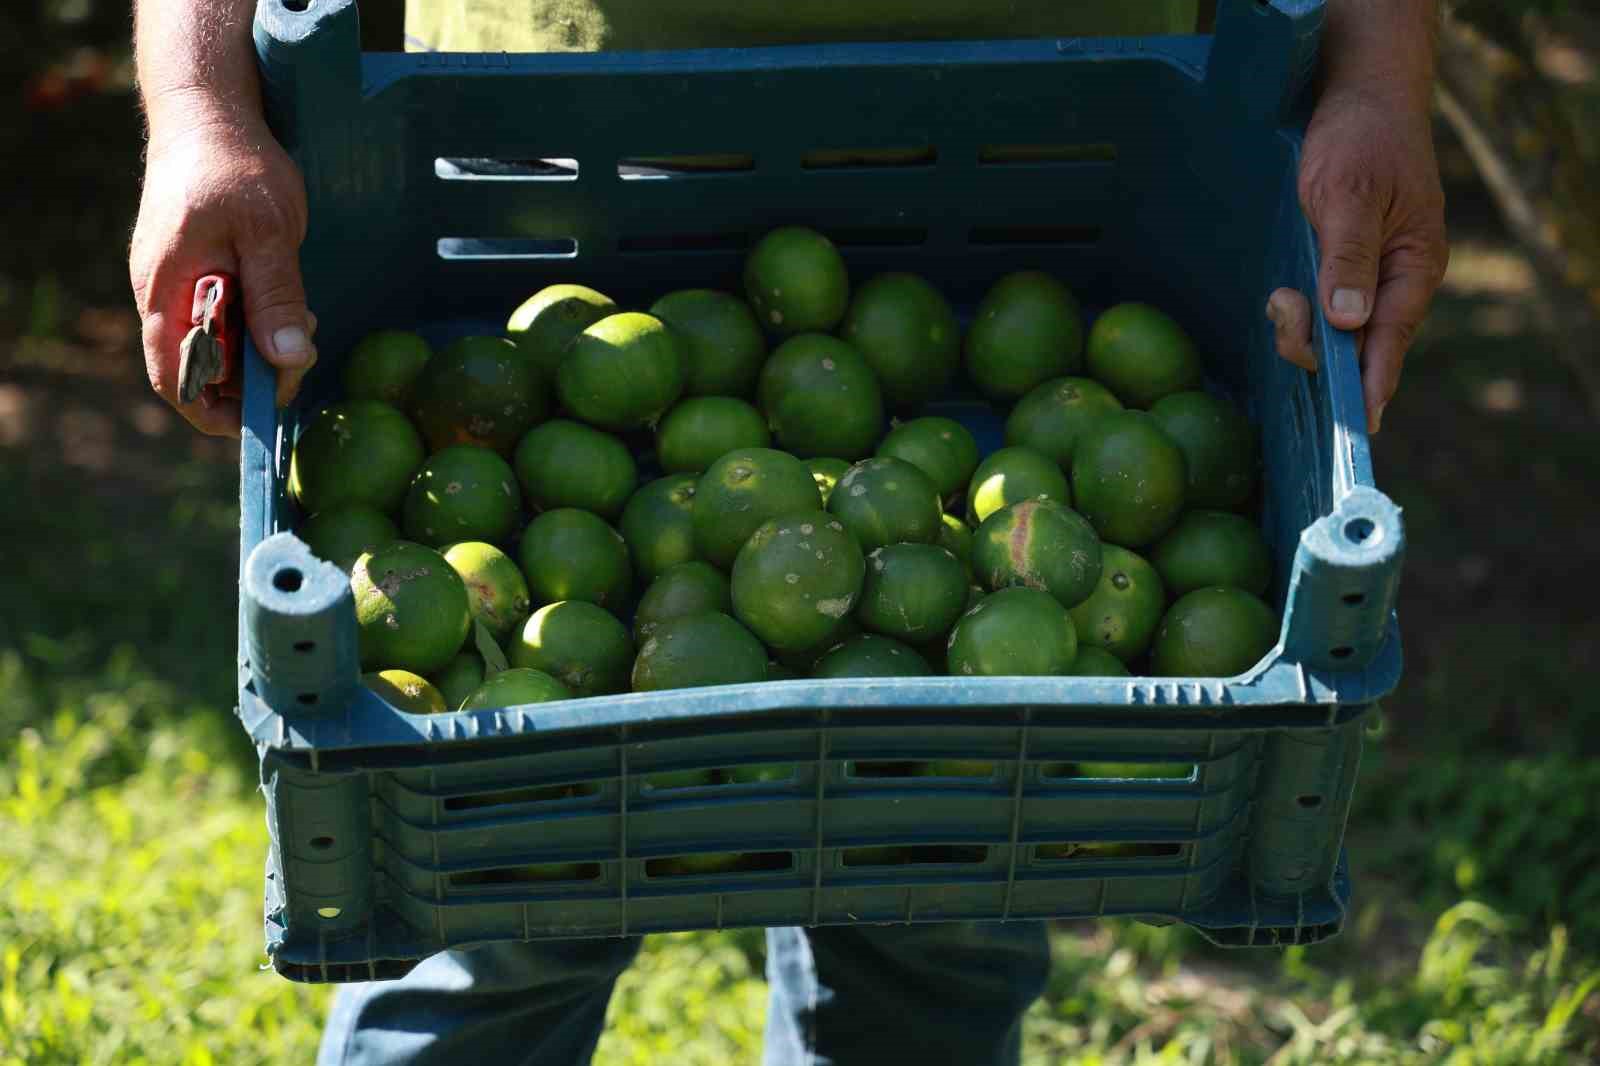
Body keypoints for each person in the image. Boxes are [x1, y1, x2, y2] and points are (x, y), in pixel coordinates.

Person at [129, 3, 1448, 1064]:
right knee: (493, 901)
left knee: (939, 910)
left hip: (1048, 141)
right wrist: (200, 96)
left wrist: (1379, 74)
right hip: (547, 147)